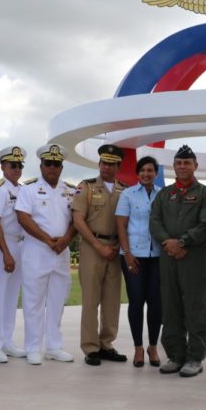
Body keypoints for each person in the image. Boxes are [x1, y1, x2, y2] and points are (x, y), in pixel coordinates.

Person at [149, 145, 206, 378]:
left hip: (194, 257)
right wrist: (169, 243)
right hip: (168, 257)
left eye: (187, 163)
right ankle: (175, 355)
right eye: (178, 163)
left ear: (195, 166)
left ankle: (195, 357)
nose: (182, 167)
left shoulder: (205, 194)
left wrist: (182, 242)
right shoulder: (164, 194)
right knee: (170, 306)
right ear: (174, 166)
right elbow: (154, 221)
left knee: (195, 306)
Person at [15, 143, 76, 365]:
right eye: (48, 163)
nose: (52, 167)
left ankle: (53, 346)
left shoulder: (70, 191)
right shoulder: (28, 189)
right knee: (33, 302)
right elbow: (23, 218)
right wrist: (47, 240)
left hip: (61, 252)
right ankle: (32, 347)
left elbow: (77, 220)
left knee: (58, 300)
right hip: (36, 251)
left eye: (56, 164)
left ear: (62, 167)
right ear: (41, 165)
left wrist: (66, 239)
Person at [71, 144, 127, 366]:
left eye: (112, 164)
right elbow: (78, 221)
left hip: (115, 248)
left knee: (112, 301)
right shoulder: (86, 187)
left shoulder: (125, 190)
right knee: (91, 300)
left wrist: (119, 245)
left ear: (118, 166)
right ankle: (90, 347)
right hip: (92, 247)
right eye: (104, 163)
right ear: (99, 164)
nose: (107, 167)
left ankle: (106, 344)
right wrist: (98, 246)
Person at [115, 156, 162, 368]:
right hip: (133, 256)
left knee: (156, 303)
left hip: (157, 256)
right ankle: (138, 348)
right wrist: (127, 253)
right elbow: (121, 226)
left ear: (155, 173)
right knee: (136, 302)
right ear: (137, 173)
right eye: (142, 170)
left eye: (150, 170)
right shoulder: (127, 194)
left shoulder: (163, 194)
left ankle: (153, 346)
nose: (146, 174)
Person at [0, 146, 28, 363]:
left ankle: (7, 341)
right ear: (3, 167)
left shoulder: (23, 190)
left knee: (12, 296)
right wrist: (6, 252)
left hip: (21, 245)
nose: (17, 169)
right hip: (4, 244)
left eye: (20, 165)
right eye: (13, 165)